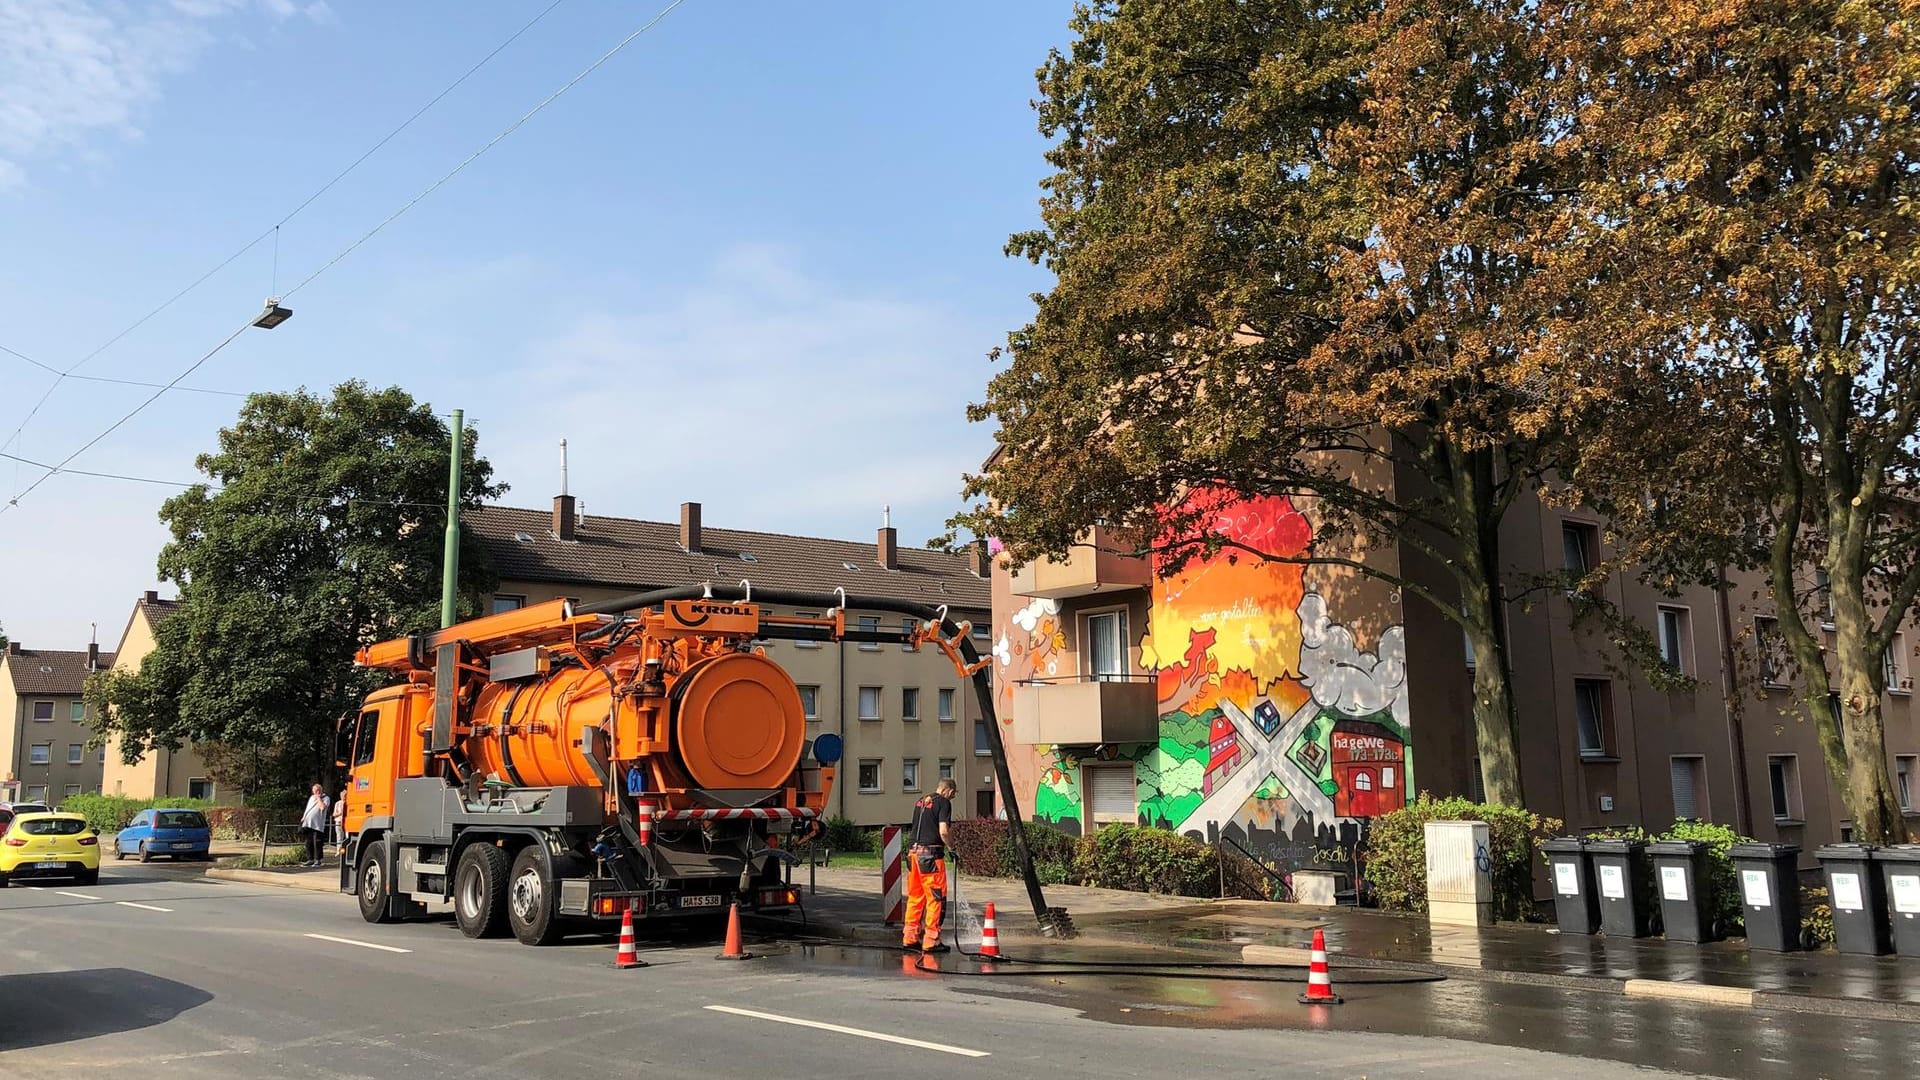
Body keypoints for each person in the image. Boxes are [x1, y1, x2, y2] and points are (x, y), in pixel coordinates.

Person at [901, 778, 956, 954]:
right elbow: (943, 831)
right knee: (935, 898)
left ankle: (910, 938)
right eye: (953, 794)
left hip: (913, 855)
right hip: (931, 858)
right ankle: (931, 941)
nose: (952, 797)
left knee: (915, 897)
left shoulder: (921, 802)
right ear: (947, 791)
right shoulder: (944, 803)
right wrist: (952, 848)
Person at [300, 783, 329, 867]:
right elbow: (307, 808)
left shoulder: (326, 798)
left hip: (317, 825)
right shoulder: (311, 798)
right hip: (308, 823)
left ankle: (317, 860)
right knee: (308, 842)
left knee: (317, 842)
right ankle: (310, 859)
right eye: (315, 790)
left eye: (318, 790)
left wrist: (319, 798)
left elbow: (322, 807)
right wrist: (304, 817)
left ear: (320, 790)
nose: (316, 792)